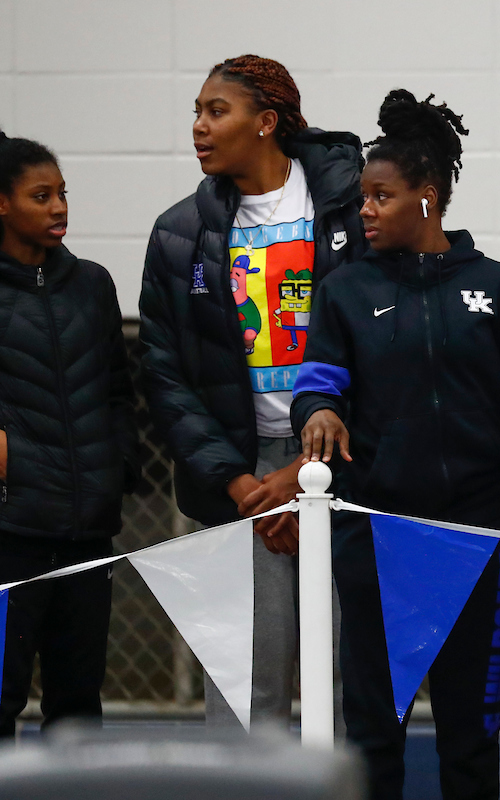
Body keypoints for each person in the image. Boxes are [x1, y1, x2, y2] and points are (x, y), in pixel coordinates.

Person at [293, 89, 500, 800]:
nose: (366, 210)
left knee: (470, 741)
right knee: (375, 734)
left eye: (381, 196)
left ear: (428, 198)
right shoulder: (344, 290)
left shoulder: (499, 289)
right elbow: (316, 385)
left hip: (475, 539)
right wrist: (318, 411)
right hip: (374, 537)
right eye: (363, 197)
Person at [138, 54, 366, 729]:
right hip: (242, 476)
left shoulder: (350, 210)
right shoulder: (180, 233)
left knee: (350, 680)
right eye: (197, 114)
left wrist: (307, 473)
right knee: (245, 686)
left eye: (217, 111)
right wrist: (241, 484)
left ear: (266, 123)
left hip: (341, 464)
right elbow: (165, 372)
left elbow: (380, 348)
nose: (199, 128)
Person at [0, 131, 139, 737]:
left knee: (78, 709)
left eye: (62, 193)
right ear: (2, 205)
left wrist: (114, 473)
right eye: (40, 195)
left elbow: (115, 388)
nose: (59, 207)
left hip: (86, 533)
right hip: (11, 533)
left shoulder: (92, 283)